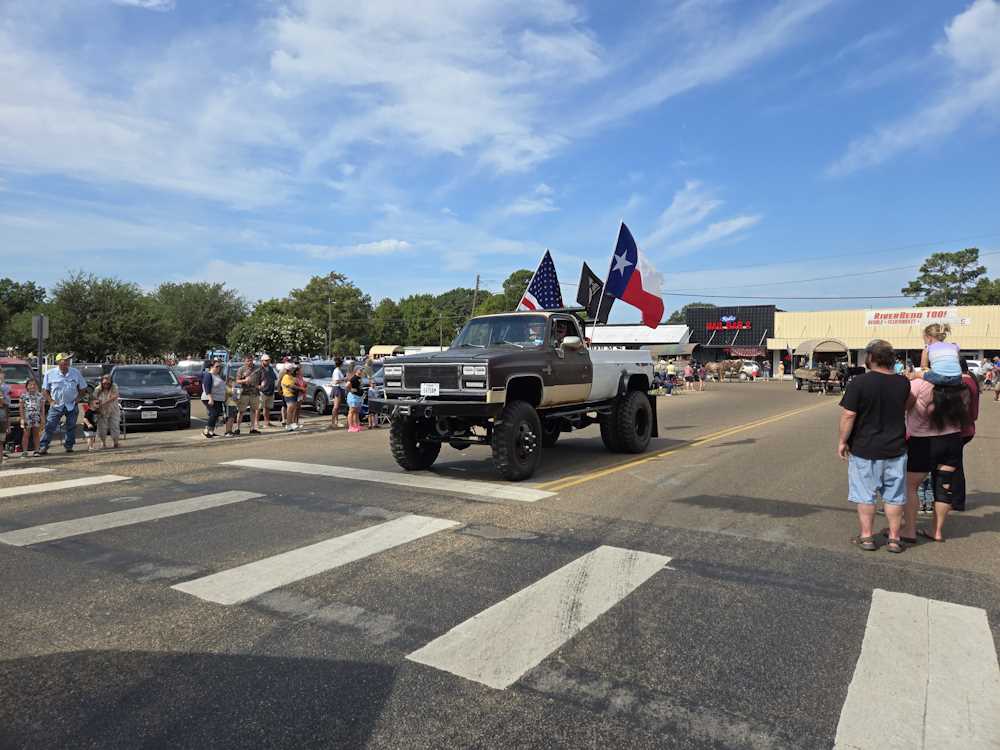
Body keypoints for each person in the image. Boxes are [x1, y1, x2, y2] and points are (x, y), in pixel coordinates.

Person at [838, 340, 911, 553]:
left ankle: (867, 537)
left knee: (865, 495)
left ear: (871, 358)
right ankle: (895, 539)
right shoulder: (902, 383)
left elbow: (849, 414)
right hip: (895, 448)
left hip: (864, 448)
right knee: (894, 496)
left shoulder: (859, 382)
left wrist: (842, 441)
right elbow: (909, 404)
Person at [900, 377, 971, 543]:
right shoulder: (961, 387)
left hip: (923, 441)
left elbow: (904, 406)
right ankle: (937, 531)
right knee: (943, 487)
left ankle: (909, 530)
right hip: (953, 439)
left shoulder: (919, 384)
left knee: (910, 486)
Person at [38, 353, 89, 455]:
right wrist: (50, 401)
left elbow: (83, 388)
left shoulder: (75, 372)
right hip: (56, 405)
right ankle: (43, 446)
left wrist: (78, 399)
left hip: (71, 405)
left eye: (67, 361)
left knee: (71, 426)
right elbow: (44, 390)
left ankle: (69, 446)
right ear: (58, 362)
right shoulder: (50, 373)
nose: (66, 363)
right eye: (64, 361)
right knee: (50, 426)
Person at [234, 354, 262, 435]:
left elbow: (261, 378)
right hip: (244, 393)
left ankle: (252, 428)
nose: (249, 362)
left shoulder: (257, 369)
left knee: (253, 410)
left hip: (255, 393)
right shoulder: (241, 369)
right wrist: (244, 381)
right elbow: (237, 381)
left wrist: (261, 385)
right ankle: (237, 428)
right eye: (248, 361)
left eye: (251, 360)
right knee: (241, 411)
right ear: (244, 361)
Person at [18, 378, 45, 457]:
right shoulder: (23, 396)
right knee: (26, 434)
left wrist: (43, 419)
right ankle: (25, 451)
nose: (32, 386)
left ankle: (36, 450)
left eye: (34, 385)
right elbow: (21, 408)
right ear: (27, 386)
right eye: (30, 385)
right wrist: (22, 418)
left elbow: (42, 409)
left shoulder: (40, 396)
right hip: (27, 417)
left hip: (37, 417)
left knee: (36, 434)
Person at [93, 374, 121, 449]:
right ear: (102, 382)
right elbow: (94, 399)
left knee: (115, 426)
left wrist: (103, 403)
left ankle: (115, 442)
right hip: (102, 411)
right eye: (104, 383)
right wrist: (97, 406)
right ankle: (103, 443)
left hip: (113, 409)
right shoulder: (97, 389)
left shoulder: (114, 387)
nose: (106, 385)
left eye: (108, 383)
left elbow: (114, 396)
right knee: (102, 427)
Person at [200, 360, 226, 438]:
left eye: (220, 367)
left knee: (216, 414)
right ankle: (206, 431)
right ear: (211, 367)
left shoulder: (217, 375)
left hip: (218, 399)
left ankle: (211, 431)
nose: (218, 368)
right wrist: (210, 399)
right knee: (213, 413)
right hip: (209, 398)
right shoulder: (208, 375)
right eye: (216, 366)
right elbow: (207, 388)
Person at [280, 363, 303, 431]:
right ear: (289, 370)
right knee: (290, 411)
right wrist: (301, 388)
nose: (294, 370)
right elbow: (291, 386)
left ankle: (290, 424)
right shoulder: (286, 377)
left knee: (291, 411)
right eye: (292, 368)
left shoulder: (290, 376)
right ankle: (288, 425)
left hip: (292, 395)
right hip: (289, 395)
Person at [258, 354, 278, 429]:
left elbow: (275, 378)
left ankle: (267, 422)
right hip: (262, 392)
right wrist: (259, 387)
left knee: (267, 408)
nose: (268, 362)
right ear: (262, 361)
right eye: (266, 360)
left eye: (269, 360)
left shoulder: (271, 368)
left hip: (270, 391)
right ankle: (256, 423)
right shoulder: (259, 369)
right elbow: (255, 380)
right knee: (258, 408)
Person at [346, 366, 365, 432]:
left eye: (362, 370)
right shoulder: (354, 378)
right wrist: (351, 390)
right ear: (356, 370)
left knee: (356, 412)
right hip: (353, 397)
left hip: (358, 396)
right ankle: (350, 427)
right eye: (360, 370)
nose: (362, 371)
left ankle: (356, 425)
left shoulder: (360, 378)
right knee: (351, 411)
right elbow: (347, 385)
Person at [330, 357, 346, 429]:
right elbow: (336, 381)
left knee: (337, 407)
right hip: (337, 388)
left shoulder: (338, 370)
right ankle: (333, 422)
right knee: (336, 407)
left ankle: (336, 422)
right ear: (341, 364)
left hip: (339, 388)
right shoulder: (336, 371)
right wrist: (344, 379)